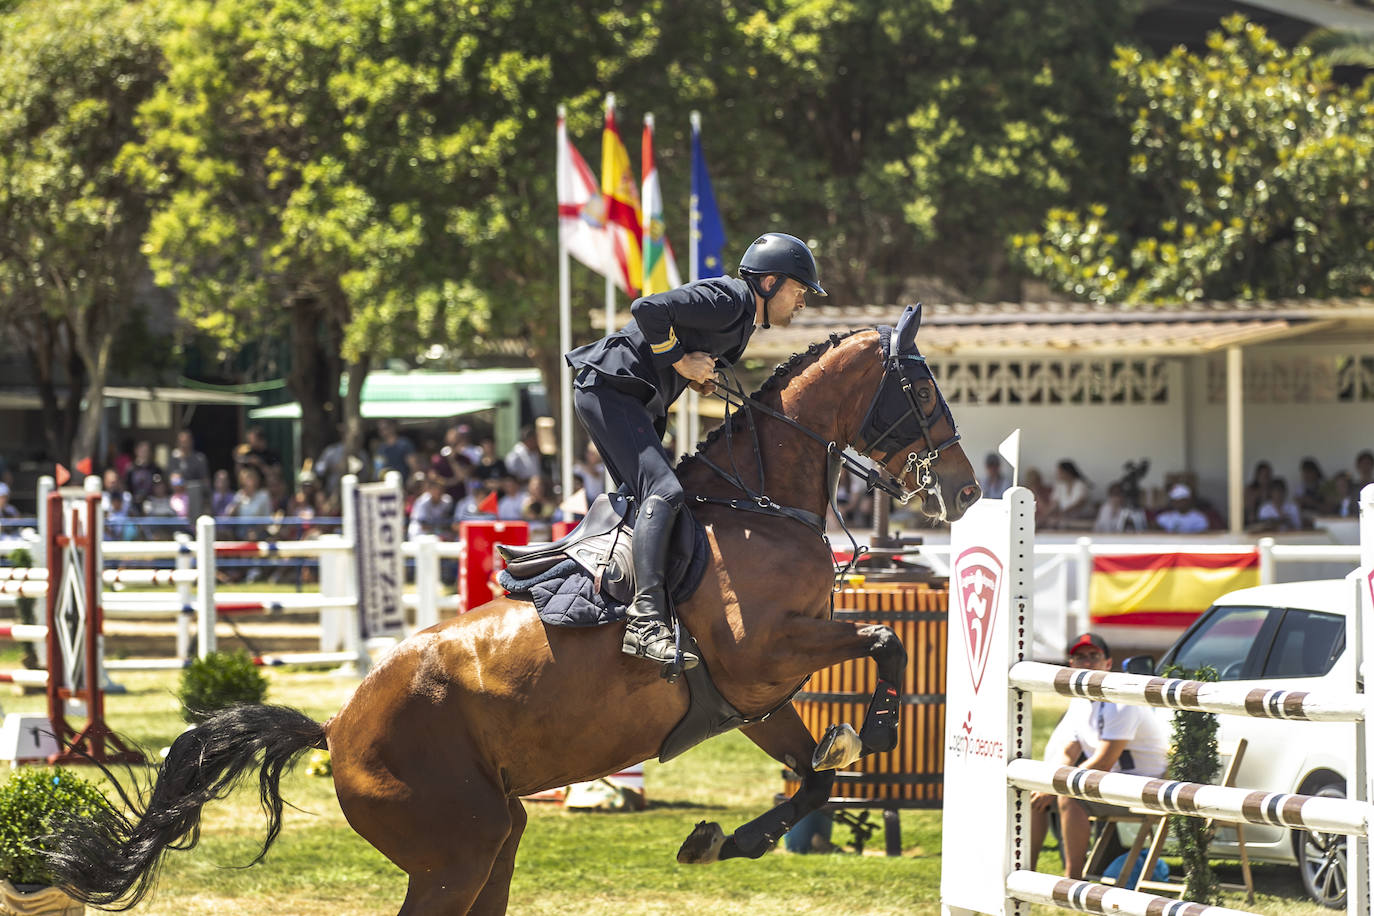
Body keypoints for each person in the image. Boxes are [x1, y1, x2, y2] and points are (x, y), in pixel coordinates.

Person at [565, 231, 823, 674]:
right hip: (611, 389)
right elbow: (647, 308)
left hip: (630, 399)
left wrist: (695, 373)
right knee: (663, 492)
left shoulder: (742, 324)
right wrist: (681, 361)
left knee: (656, 497)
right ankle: (644, 623)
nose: (801, 303)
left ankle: (621, 596)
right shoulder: (728, 298)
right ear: (769, 283)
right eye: (798, 291)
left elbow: (679, 341)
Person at [1028, 633, 1168, 879]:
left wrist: (1059, 783)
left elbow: (1104, 761)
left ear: (1108, 663)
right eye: (1080, 657)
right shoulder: (1080, 699)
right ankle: (1026, 874)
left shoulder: (1122, 698)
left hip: (1146, 785)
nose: (1088, 663)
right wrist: (1049, 782)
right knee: (1035, 791)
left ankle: (1073, 881)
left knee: (1069, 797)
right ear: (1071, 665)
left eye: (1094, 656)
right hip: (1114, 781)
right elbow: (1068, 751)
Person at [166, 429, 210, 521]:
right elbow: (174, 482)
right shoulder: (174, 459)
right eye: (182, 442)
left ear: (191, 442)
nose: (184, 445)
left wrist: (188, 486)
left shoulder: (199, 459)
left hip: (196, 498)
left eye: (186, 441)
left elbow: (205, 481)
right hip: (178, 499)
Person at [1045, 459, 1092, 528]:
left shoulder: (1081, 485)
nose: (1057, 474)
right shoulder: (1060, 486)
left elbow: (1079, 503)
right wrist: (1046, 515)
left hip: (1082, 518)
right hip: (1066, 518)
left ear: (1067, 472)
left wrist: (1062, 513)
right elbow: (1054, 504)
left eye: (1059, 472)